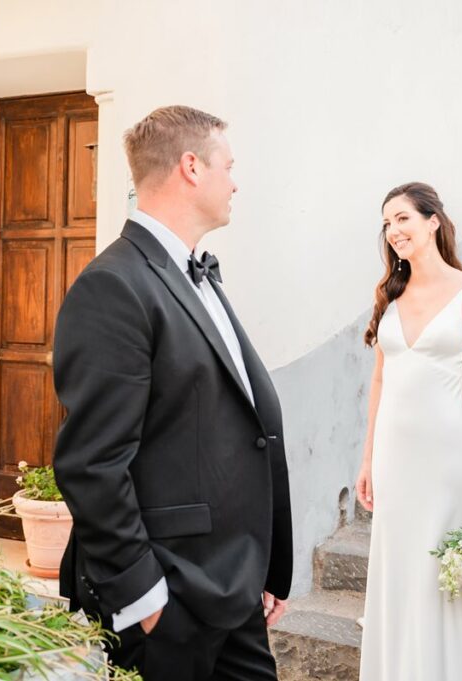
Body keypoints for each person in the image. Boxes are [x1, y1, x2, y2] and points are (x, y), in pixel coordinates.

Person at [51, 105, 293, 681]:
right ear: (191, 166)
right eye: (227, 166)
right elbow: (92, 464)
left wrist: (263, 566)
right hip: (172, 595)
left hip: (231, 586)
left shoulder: (194, 272)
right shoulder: (114, 285)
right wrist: (147, 601)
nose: (235, 181)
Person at [356, 182, 462, 680]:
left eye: (403, 218)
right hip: (393, 452)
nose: (394, 230)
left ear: (433, 221)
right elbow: (380, 379)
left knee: (441, 568)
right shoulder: (388, 291)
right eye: (387, 223)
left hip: (447, 451)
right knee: (399, 566)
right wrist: (367, 461)